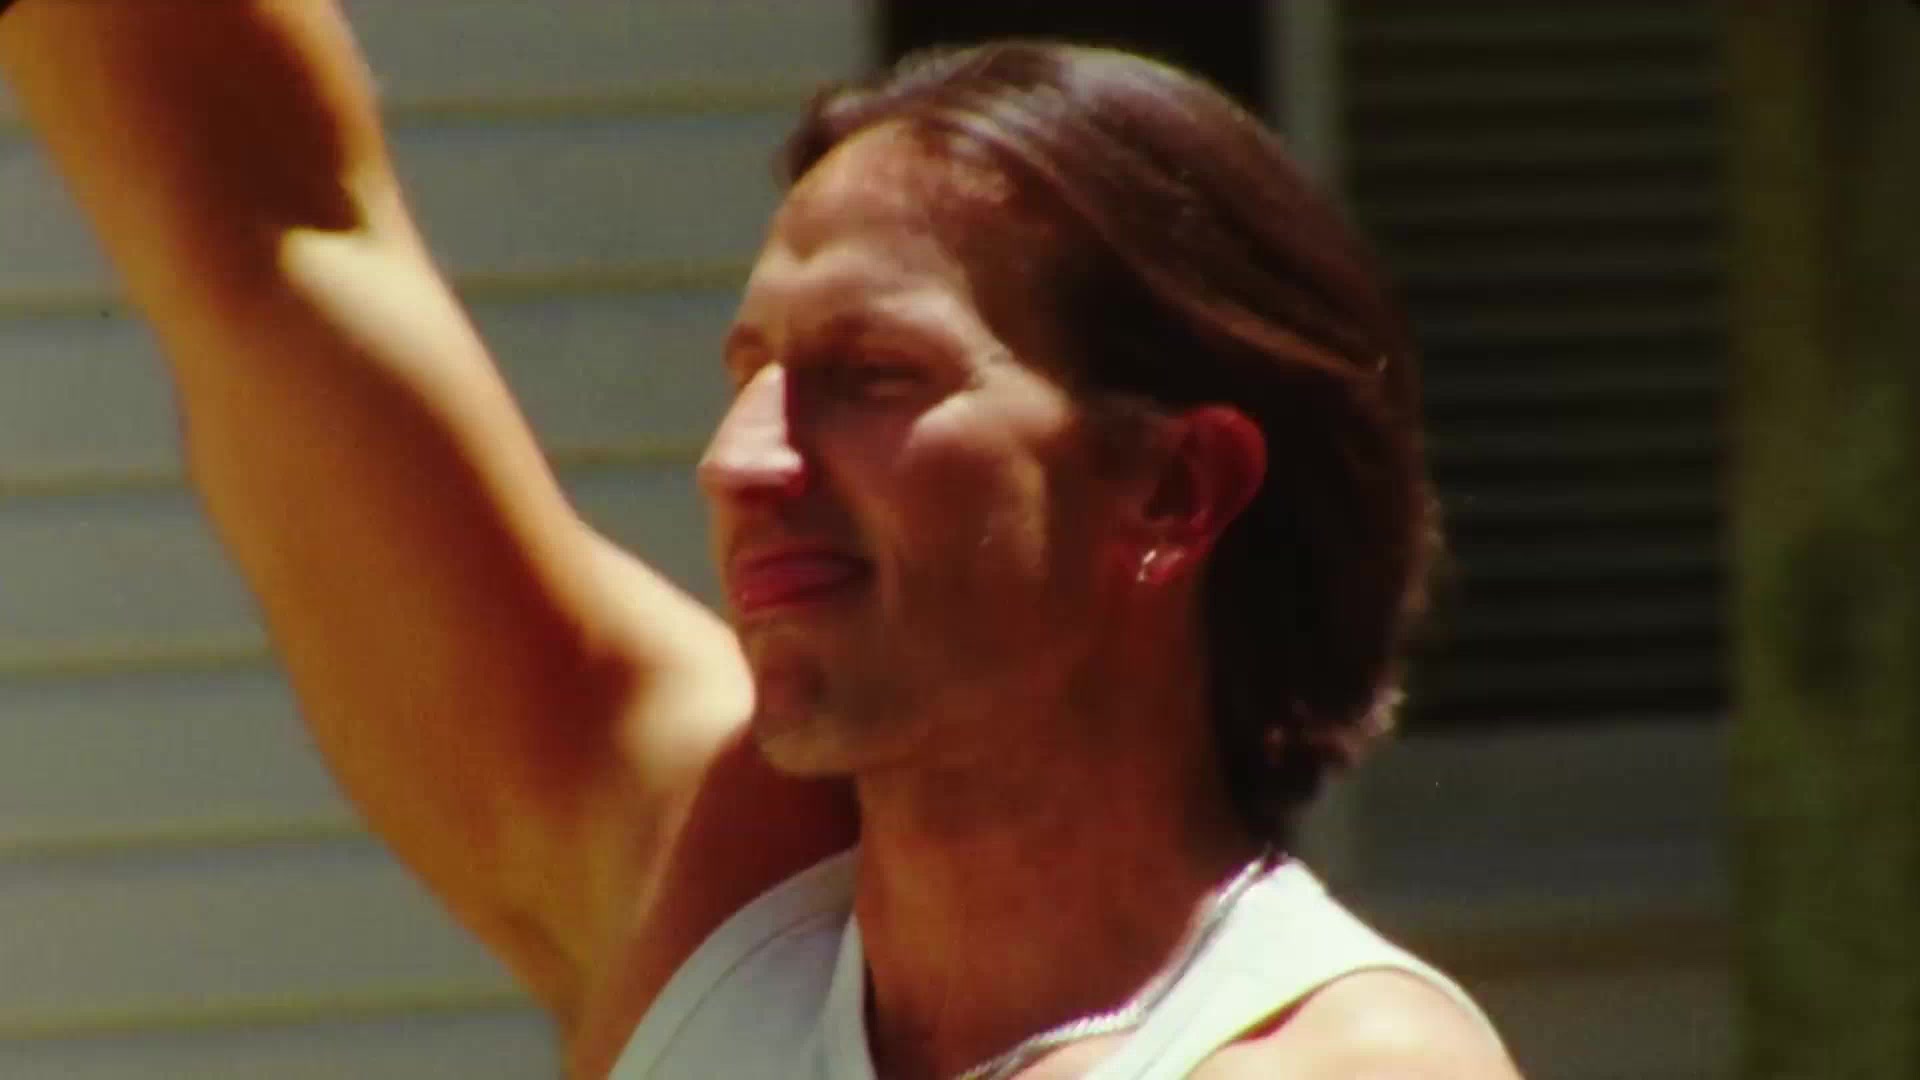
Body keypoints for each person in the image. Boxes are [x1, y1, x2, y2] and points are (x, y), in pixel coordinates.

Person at [0, 2, 1520, 1078]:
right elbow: (267, 232)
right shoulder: (707, 880)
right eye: (750, 376)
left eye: (874, 377)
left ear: (1175, 490)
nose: (740, 462)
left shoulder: (1336, 1061)